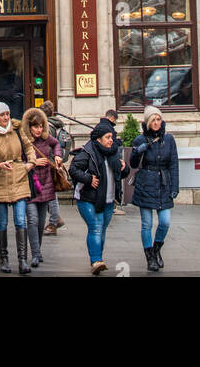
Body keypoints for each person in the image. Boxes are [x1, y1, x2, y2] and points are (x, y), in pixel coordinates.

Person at [0, 100, 35, 274]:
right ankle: (4, 259)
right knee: (2, 222)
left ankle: (23, 261)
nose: (6, 117)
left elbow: (28, 146)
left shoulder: (17, 129)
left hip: (19, 177)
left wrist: (30, 163)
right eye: (2, 115)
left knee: (20, 220)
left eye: (7, 114)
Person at [69, 118, 129, 275]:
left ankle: (98, 259)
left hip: (108, 199)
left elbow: (122, 173)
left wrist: (124, 168)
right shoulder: (88, 152)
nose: (111, 140)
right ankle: (96, 260)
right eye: (108, 137)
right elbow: (74, 169)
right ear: (98, 139)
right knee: (95, 227)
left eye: (112, 137)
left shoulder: (114, 152)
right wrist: (88, 179)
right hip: (88, 198)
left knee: (101, 229)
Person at [130, 105, 180, 271]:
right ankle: (150, 256)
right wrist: (138, 152)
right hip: (146, 183)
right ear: (148, 122)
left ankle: (157, 249)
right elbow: (133, 163)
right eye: (153, 120)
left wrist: (175, 186)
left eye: (159, 119)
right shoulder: (140, 139)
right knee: (147, 224)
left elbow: (174, 164)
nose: (157, 122)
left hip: (163, 183)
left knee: (165, 222)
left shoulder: (169, 140)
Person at [21, 107, 64, 267]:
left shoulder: (47, 138)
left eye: (40, 126)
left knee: (40, 222)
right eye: (35, 127)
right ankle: (35, 254)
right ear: (29, 127)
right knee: (32, 220)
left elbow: (57, 144)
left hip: (46, 183)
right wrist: (32, 163)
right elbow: (17, 161)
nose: (38, 130)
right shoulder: (23, 141)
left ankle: (37, 250)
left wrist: (58, 155)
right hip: (30, 184)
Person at [39, 101, 66, 234]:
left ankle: (54, 222)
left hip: (48, 163)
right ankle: (56, 219)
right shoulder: (56, 123)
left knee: (51, 194)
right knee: (48, 192)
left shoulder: (47, 127)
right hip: (53, 162)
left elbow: (49, 145)